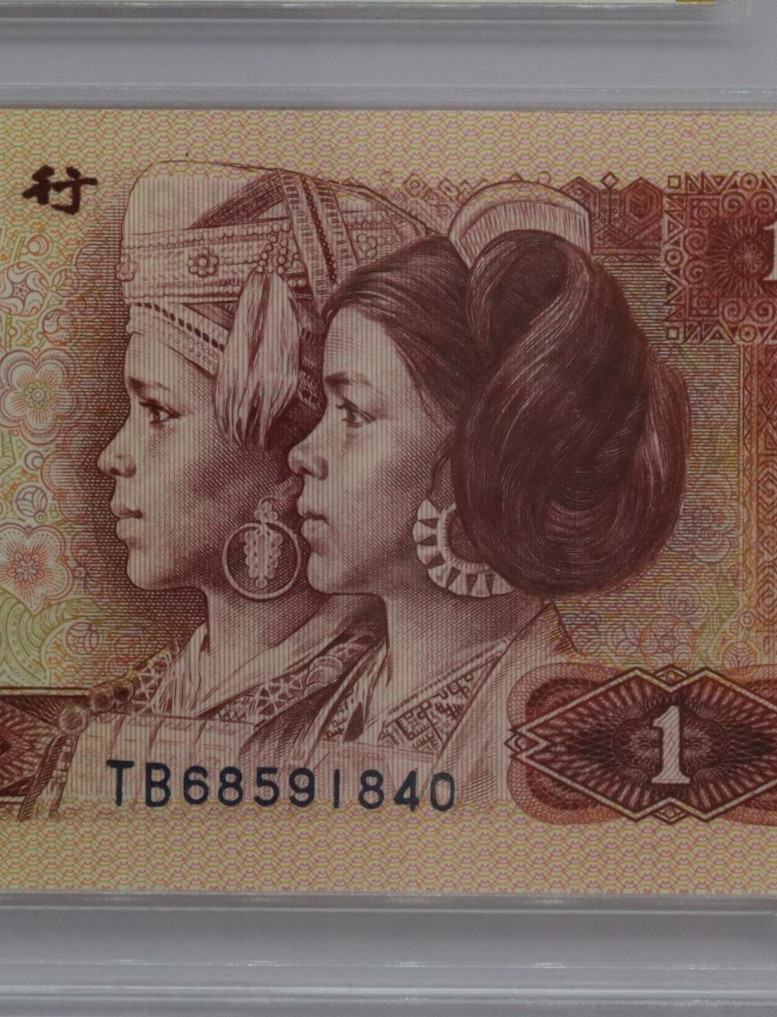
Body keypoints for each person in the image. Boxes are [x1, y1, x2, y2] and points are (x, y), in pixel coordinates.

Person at [269, 183, 691, 801]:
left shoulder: (576, 745)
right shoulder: (292, 724)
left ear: (483, 455)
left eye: (353, 413)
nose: (302, 453)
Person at [56, 163, 428, 798]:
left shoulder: (387, 720)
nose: (114, 456)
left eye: (158, 412)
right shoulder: (129, 708)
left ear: (291, 454)